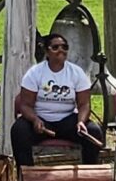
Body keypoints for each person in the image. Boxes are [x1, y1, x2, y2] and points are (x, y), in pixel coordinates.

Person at [9, 31, 103, 166]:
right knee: (19, 130)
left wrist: (81, 121)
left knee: (93, 131)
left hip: (68, 120)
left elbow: (84, 104)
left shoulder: (77, 73)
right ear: (47, 52)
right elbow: (25, 105)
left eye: (65, 47)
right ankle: (27, 175)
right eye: (55, 47)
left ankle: (88, 175)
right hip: (41, 120)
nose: (61, 50)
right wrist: (35, 120)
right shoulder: (35, 73)